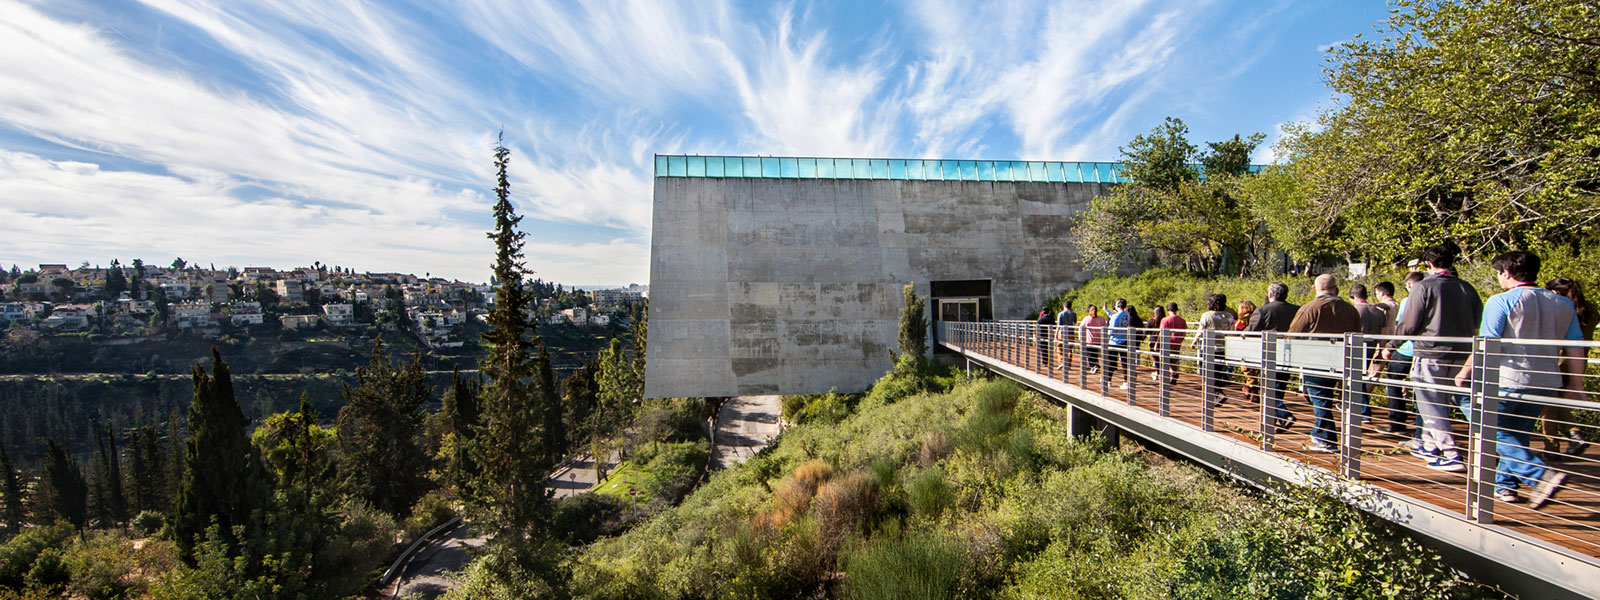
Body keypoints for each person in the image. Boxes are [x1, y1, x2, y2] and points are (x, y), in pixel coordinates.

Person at [1450, 251, 1582, 508]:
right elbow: (1576, 345)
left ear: (1505, 273)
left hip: (1508, 379)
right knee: (1517, 433)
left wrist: (1464, 372)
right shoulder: (1562, 304)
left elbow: (1486, 344)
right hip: (1546, 381)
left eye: (1498, 273)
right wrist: (1576, 384)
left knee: (1480, 417)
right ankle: (1505, 486)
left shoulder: (1500, 301)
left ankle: (1539, 475)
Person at [1381, 243, 1482, 472]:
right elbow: (1477, 322)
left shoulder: (1423, 287)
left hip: (1431, 351)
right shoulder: (1467, 288)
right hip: (1460, 352)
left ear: (1428, 264)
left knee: (1429, 402)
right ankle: (1429, 444)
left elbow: (1409, 324)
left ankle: (1450, 452)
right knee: (1441, 400)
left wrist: (1391, 345)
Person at [1289, 274, 1363, 453]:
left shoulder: (1309, 308)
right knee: (1325, 398)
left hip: (1316, 359)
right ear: (1335, 288)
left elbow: (1293, 334)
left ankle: (1326, 439)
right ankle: (1319, 432)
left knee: (1320, 399)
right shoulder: (1350, 309)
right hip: (1341, 360)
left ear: (1315, 288)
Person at [1542, 277, 1596, 456]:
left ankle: (1552, 447)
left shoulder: (1560, 310)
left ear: (1556, 292)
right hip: (1579, 361)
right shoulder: (1590, 310)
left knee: (1547, 404)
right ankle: (1574, 434)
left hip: (1559, 360)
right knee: (1555, 402)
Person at [1375, 273, 1425, 435]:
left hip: (1406, 349)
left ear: (1410, 286)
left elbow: (1402, 326)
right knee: (1422, 388)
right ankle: (1421, 430)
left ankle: (1397, 422)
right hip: (1426, 351)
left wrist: (1391, 346)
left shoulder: (1407, 301)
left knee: (1392, 380)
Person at [1248, 282, 1301, 429]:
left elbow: (1250, 331)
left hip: (1268, 355)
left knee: (1268, 389)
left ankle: (1284, 415)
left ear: (1270, 295)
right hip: (1289, 354)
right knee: (1279, 388)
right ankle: (1273, 421)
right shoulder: (1297, 310)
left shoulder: (1263, 310)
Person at [1350, 284, 1387, 423]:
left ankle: (1364, 410)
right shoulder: (1378, 311)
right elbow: (1383, 334)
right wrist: (1380, 351)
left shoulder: (1354, 310)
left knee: (1355, 379)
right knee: (1359, 377)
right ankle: (1358, 407)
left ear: (1353, 296)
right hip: (1371, 348)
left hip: (1356, 347)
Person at [1191, 294, 1235, 406]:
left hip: (1209, 348)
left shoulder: (1207, 315)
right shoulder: (1229, 316)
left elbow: (1200, 331)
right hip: (1224, 348)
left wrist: (1194, 341)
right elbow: (1232, 333)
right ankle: (1216, 395)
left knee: (1207, 372)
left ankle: (1218, 393)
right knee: (1218, 371)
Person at [1159, 303, 1187, 385]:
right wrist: (1180, 340)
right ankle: (1174, 373)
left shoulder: (1165, 320)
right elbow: (1184, 332)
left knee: (1165, 360)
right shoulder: (1182, 320)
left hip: (1167, 342)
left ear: (1168, 309)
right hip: (1177, 342)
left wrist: (1157, 343)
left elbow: (1161, 333)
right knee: (1174, 360)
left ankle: (1170, 375)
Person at [1235, 300, 1258, 399]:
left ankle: (1248, 388)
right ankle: (1254, 392)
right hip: (1257, 347)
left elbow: (1237, 332)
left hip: (1245, 348)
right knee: (1254, 370)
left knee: (1247, 369)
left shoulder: (1243, 321)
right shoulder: (1257, 318)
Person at [1107, 299, 1132, 386]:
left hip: (1114, 342)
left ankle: (1108, 380)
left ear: (1117, 305)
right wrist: (1107, 311)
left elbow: (1112, 329)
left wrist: (1107, 335)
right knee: (1124, 362)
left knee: (1111, 362)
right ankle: (1126, 381)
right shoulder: (1127, 314)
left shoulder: (1115, 316)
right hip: (1124, 340)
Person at [1080, 305, 1106, 375]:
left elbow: (1081, 327)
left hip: (1089, 340)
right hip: (1098, 340)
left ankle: (1093, 366)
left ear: (1089, 311)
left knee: (1089, 354)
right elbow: (1105, 327)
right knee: (1095, 353)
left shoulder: (1087, 319)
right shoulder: (1101, 319)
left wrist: (1081, 337)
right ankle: (1095, 365)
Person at [1055, 300, 1078, 370]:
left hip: (1062, 333)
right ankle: (1068, 364)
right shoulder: (1074, 314)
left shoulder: (1061, 314)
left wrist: (1056, 334)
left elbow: (1059, 325)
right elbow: (1075, 322)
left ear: (1064, 306)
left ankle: (1061, 362)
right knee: (1069, 349)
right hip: (1071, 333)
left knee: (1059, 348)